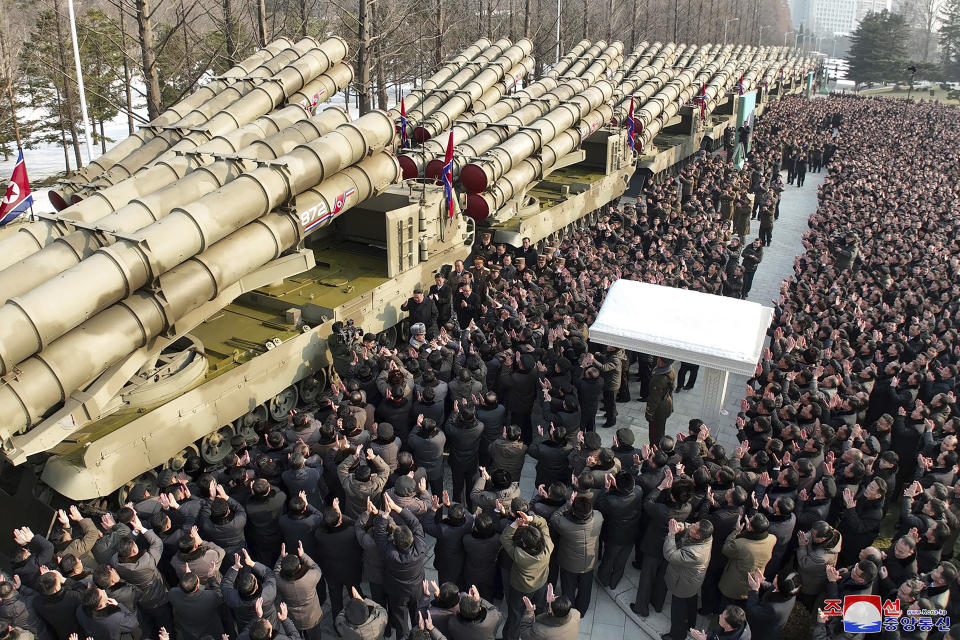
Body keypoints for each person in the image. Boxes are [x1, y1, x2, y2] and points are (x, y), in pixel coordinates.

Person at [375, 494, 428, 637]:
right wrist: (396, 508)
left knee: (401, 623)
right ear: (411, 538)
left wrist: (385, 514)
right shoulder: (420, 548)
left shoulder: (390, 554)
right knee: (419, 618)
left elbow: (379, 535)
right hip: (417, 589)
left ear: (395, 541)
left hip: (397, 592)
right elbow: (415, 523)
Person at [500, 511, 554, 640]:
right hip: (541, 584)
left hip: (521, 588)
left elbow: (505, 538)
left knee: (516, 614)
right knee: (540, 610)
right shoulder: (548, 547)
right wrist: (531, 518)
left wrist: (515, 524)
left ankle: (510, 637)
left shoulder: (519, 554)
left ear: (524, 544)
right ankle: (538, 631)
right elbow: (544, 524)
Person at [548, 495, 603, 615]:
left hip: (569, 564)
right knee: (586, 588)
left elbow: (554, 518)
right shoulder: (598, 517)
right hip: (589, 563)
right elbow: (595, 512)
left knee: (568, 589)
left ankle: (570, 611)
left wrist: (568, 503)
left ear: (573, 511)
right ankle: (582, 611)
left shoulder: (565, 525)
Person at [663, 519, 714, 640]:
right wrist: (681, 527)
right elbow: (691, 526)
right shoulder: (707, 536)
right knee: (691, 601)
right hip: (693, 581)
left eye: (694, 528)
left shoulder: (694, 553)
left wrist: (671, 535)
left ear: (697, 535)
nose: (691, 527)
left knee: (678, 610)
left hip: (683, 583)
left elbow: (670, 555)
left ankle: (677, 635)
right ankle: (691, 624)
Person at [646, 358, 675, 445]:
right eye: (659, 359)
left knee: (655, 434)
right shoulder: (670, 370)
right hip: (666, 404)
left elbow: (654, 399)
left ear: (666, 364)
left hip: (659, 410)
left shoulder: (659, 379)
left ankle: (655, 451)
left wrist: (649, 413)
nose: (659, 361)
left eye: (662, 361)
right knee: (660, 430)